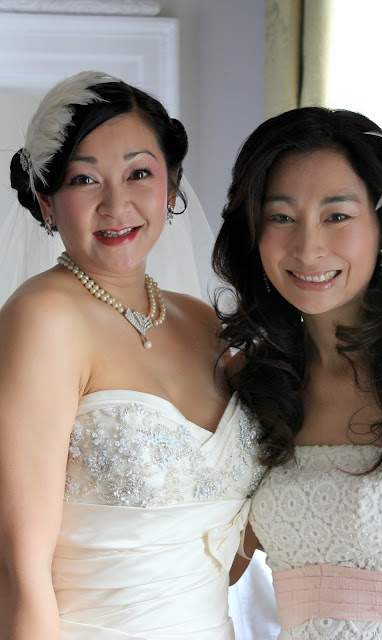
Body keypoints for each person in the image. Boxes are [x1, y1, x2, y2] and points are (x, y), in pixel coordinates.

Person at [0, 70, 264, 640]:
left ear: (172, 187)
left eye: (139, 173)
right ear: (47, 202)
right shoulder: (43, 319)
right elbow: (21, 572)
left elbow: (226, 548)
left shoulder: (203, 323)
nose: (116, 204)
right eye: (84, 180)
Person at [213, 106, 382, 639]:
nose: (308, 248)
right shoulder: (245, 383)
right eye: (280, 217)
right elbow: (211, 569)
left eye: (336, 216)